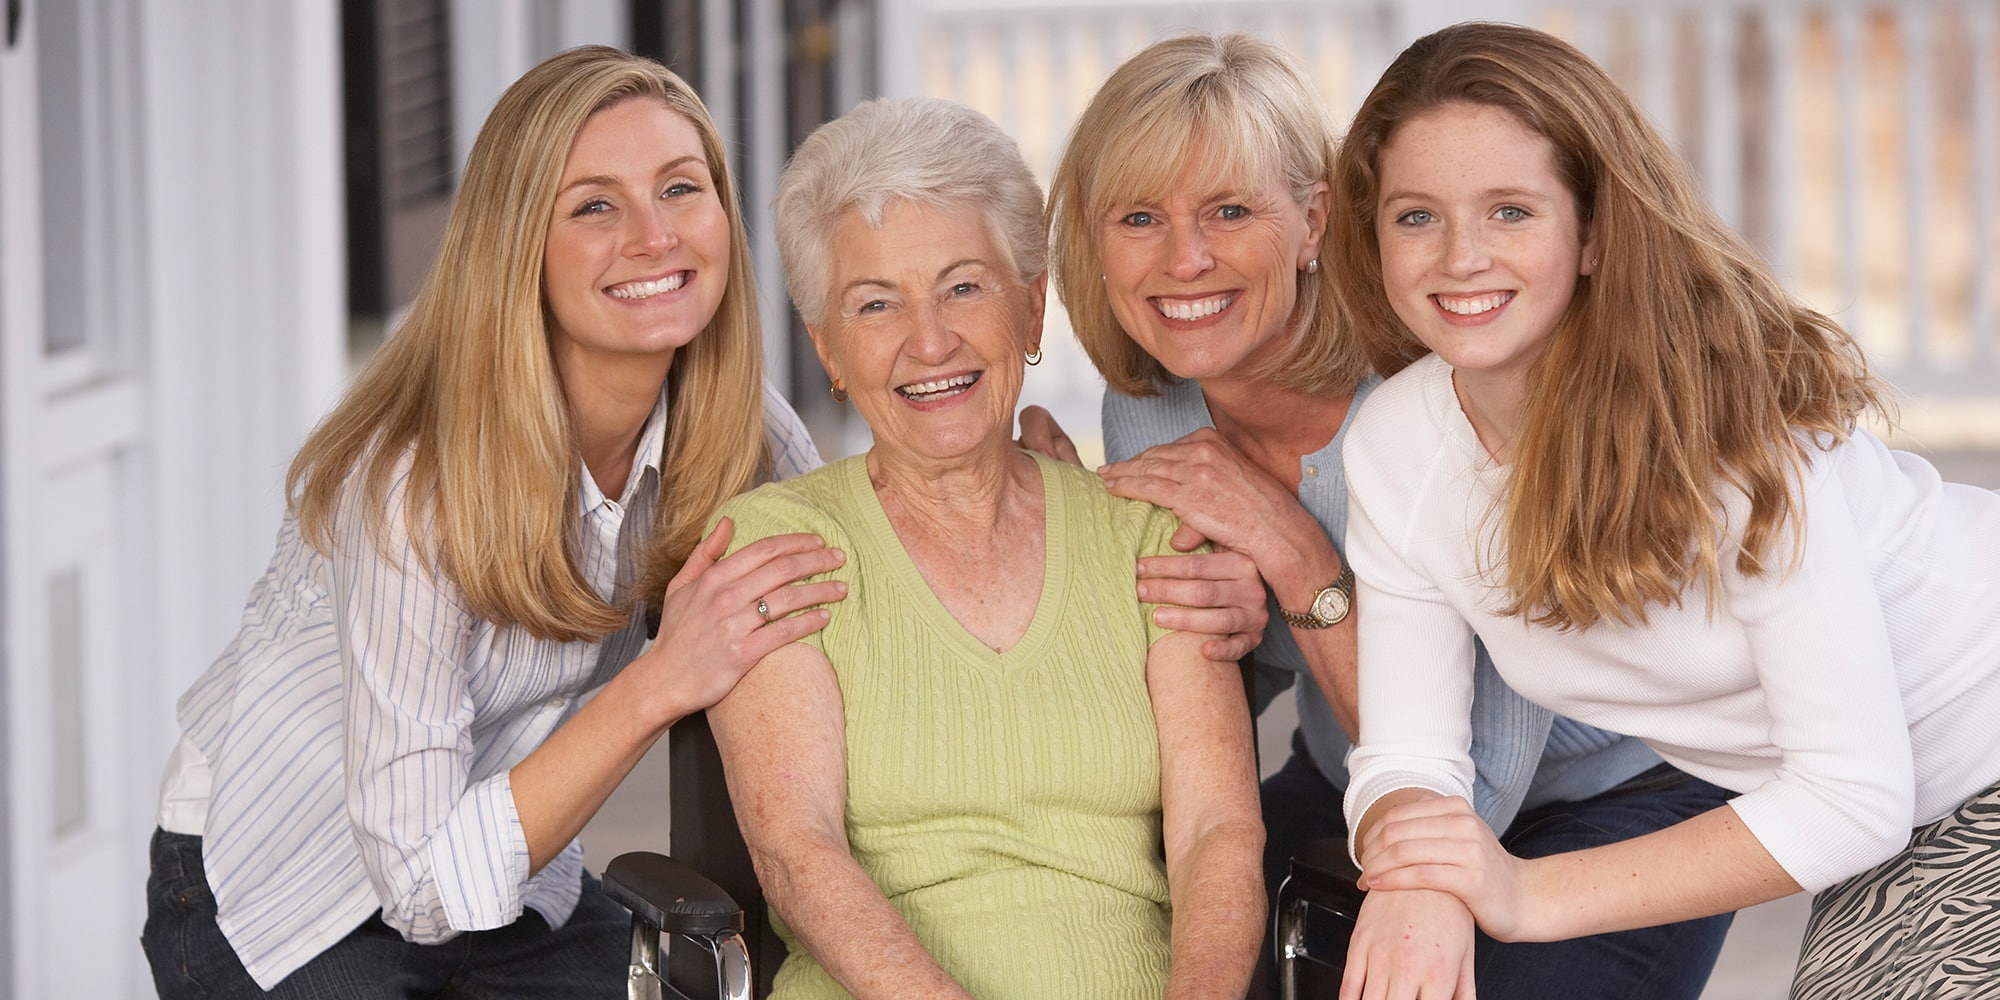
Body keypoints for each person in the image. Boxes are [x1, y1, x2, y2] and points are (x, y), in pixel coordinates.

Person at [1033, 31, 1737, 997]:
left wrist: (1292, 556)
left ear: (1315, 220)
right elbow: (1206, 703)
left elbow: (1474, 792)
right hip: (1355, 774)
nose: (1185, 259)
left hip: (1615, 796)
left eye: (1230, 210)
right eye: (1140, 217)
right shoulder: (1150, 408)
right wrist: (1070, 567)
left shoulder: (1436, 391)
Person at [139, 46, 846, 998]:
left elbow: (853, 591)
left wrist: (1020, 481)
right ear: (518, 244)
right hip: (284, 883)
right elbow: (421, 890)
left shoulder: (734, 426)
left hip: (506, 872)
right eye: (595, 205)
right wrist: (663, 681)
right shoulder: (415, 482)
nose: (654, 235)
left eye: (681, 189)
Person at [1329, 22, 2000, 1000]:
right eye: (1415, 217)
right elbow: (1409, 749)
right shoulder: (1395, 447)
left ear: (1593, 231)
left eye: (1509, 211)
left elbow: (1850, 796)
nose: (1459, 256)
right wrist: (1418, 876)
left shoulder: (1721, 434)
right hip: (1905, 818)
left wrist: (1519, 892)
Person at [705, 96, 1265, 999]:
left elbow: (1218, 834)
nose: (930, 341)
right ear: (828, 349)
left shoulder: (1152, 535)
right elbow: (796, 855)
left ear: (1032, 309)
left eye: (964, 286)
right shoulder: (780, 543)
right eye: (876, 303)